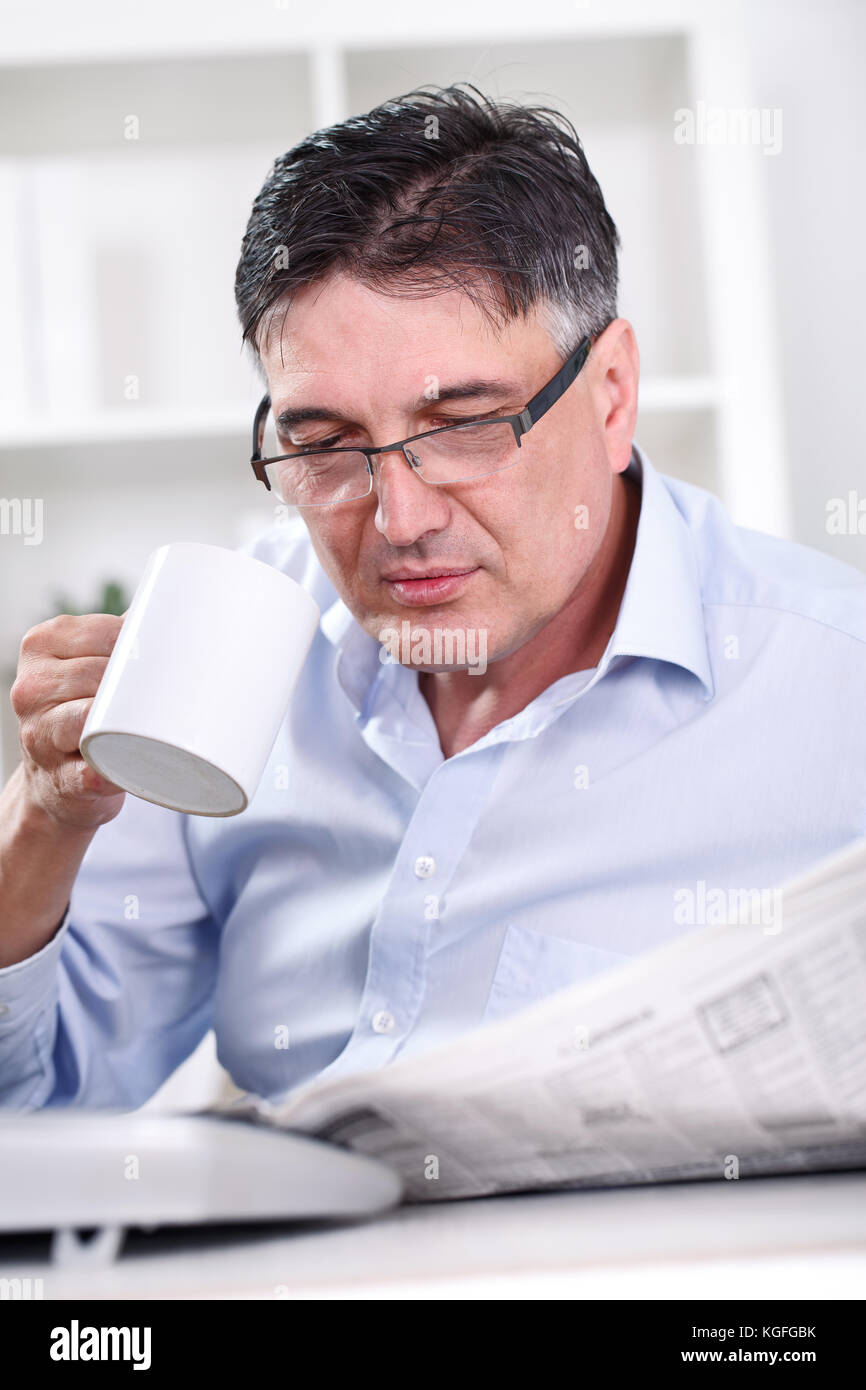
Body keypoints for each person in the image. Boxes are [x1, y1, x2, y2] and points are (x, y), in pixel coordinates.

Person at [0, 85, 863, 1110]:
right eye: (322, 446)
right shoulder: (233, 660)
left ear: (610, 395)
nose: (398, 518)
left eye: (462, 425)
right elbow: (36, 1102)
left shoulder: (829, 686)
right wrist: (44, 822)